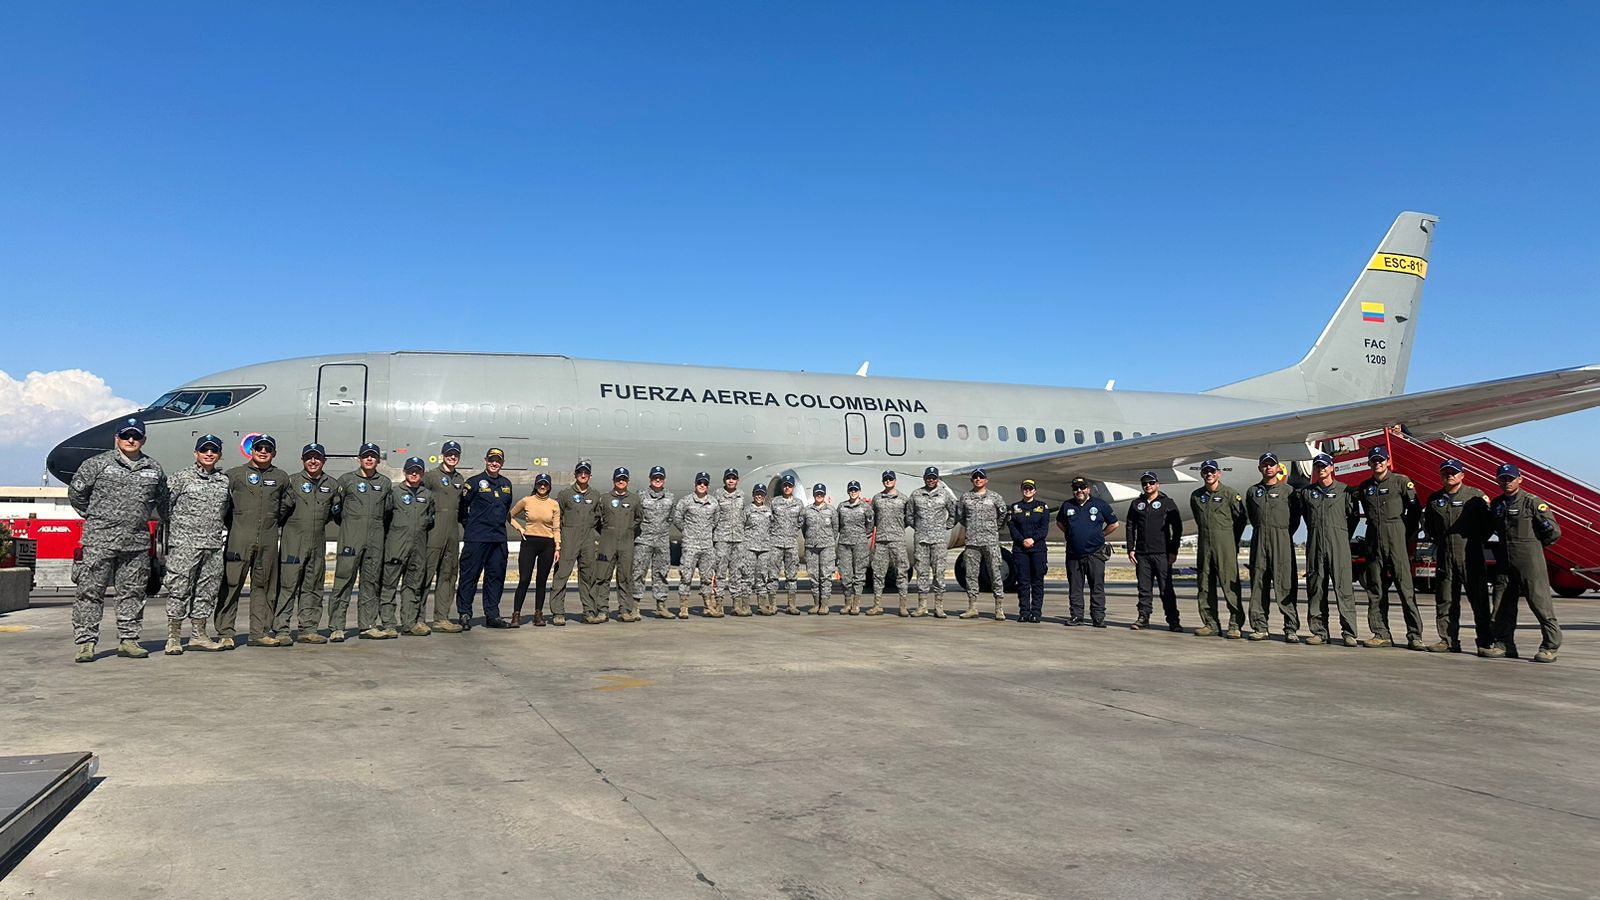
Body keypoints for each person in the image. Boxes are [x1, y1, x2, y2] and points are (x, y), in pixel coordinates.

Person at [68, 416, 169, 662]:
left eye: (136, 436)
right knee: (90, 592)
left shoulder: (153, 468)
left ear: (143, 439)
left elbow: (163, 502)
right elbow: (77, 494)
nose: (130, 440)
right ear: (117, 438)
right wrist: (96, 517)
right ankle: (86, 643)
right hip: (99, 540)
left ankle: (128, 640)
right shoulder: (97, 464)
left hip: (135, 543)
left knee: (133, 592)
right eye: (125, 435)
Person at [218, 434, 291, 648]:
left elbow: (287, 503)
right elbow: (223, 503)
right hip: (239, 537)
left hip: (268, 538)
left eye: (268, 448)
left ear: (274, 453)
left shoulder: (281, 477)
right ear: (252, 450)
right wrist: (236, 523)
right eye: (259, 447)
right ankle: (225, 632)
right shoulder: (235, 474)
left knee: (265, 586)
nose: (263, 451)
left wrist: (270, 521)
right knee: (231, 584)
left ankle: (259, 632)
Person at [1485, 463, 1562, 662]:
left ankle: (1550, 646)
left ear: (1520, 479)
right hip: (1505, 561)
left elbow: (1553, 531)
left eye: (1510, 478)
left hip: (1530, 560)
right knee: (1501, 605)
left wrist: (1534, 546)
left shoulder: (1532, 503)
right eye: (1502, 478)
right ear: (1497, 480)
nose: (1506, 482)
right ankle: (1504, 644)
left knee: (1540, 603)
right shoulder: (1497, 504)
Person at [162, 435, 228, 654]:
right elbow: (164, 507)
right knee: (179, 590)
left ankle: (199, 635)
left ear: (219, 455)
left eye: (213, 451)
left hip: (212, 546)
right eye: (204, 450)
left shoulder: (223, 481)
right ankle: (173, 638)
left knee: (207, 592)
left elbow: (226, 510)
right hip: (184, 546)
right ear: (196, 453)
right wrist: (181, 530)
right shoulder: (181, 478)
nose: (209, 454)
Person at [1356, 446, 1426, 649]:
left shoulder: (1401, 482)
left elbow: (1414, 511)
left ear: (1387, 461)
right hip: (1373, 538)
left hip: (1396, 534)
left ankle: (1415, 635)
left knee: (1405, 589)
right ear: (1369, 464)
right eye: (1374, 460)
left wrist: (1404, 534)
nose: (1377, 463)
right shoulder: (1365, 487)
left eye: (1381, 460)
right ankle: (1381, 633)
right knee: (1376, 588)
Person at [1423, 459, 1492, 653]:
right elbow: (1429, 526)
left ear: (1462, 475)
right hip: (1445, 554)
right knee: (1445, 599)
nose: (1449, 475)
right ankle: (1448, 640)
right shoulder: (1435, 499)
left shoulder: (1475, 497)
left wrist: (1474, 542)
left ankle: (1485, 641)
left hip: (1470, 555)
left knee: (1479, 600)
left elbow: (1488, 525)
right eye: (1445, 472)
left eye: (1453, 472)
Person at [331, 442, 394, 640]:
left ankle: (368, 625)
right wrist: (351, 526)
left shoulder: (385, 483)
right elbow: (336, 510)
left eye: (373, 456)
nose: (369, 459)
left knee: (371, 582)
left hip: (375, 540)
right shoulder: (347, 480)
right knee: (343, 580)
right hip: (351, 538)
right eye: (366, 456)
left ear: (378, 460)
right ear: (359, 459)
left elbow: (387, 511)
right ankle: (336, 627)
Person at [282, 442, 343, 643]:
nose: (313, 461)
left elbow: (332, 513)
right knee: (288, 586)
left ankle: (308, 629)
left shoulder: (332, 485)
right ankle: (281, 630)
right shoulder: (291, 482)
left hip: (317, 542)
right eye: (309, 457)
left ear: (324, 460)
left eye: (317, 457)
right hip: (293, 542)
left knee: (314, 586)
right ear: (303, 460)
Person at [1298, 453, 1361, 647]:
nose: (1321, 469)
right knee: (1316, 587)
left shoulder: (1344, 491)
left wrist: (1341, 535)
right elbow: (1306, 517)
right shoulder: (1307, 493)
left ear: (1332, 467)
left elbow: (1353, 517)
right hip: (1315, 544)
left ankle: (1349, 633)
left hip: (1338, 543)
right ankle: (1319, 632)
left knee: (1344, 588)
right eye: (1318, 466)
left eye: (1324, 466)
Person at [456, 447, 514, 630]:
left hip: (498, 539)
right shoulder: (473, 483)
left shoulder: (506, 484)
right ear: (485, 461)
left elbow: (505, 508)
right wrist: (471, 527)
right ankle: (464, 613)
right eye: (491, 460)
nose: (494, 463)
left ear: (502, 463)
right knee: (469, 576)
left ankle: (492, 615)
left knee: (496, 577)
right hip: (477, 538)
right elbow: (462, 509)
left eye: (498, 460)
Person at [1245, 452, 1301, 642]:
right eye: (1265, 464)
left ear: (1278, 468)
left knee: (1285, 584)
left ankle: (1290, 628)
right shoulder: (1253, 492)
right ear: (1259, 468)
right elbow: (1252, 516)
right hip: (1259, 539)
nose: (1268, 467)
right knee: (1258, 584)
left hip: (1282, 540)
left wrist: (1283, 534)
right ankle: (1260, 627)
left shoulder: (1289, 491)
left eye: (1271, 464)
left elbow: (1295, 519)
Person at [1190, 461, 1246, 638]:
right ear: (1202, 474)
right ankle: (1211, 624)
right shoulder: (1196, 496)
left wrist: (1232, 540)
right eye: (1206, 471)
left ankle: (1235, 624)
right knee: (1205, 585)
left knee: (1229, 584)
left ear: (1218, 473)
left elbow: (1241, 519)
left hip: (1225, 545)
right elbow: (1198, 518)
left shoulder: (1230, 494)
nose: (1209, 474)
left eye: (1212, 471)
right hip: (1205, 546)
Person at [383, 457, 435, 637]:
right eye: (411, 470)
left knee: (413, 586)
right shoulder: (395, 493)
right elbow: (385, 517)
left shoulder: (427, 495)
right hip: (396, 547)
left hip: (417, 548)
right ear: (404, 472)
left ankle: (409, 623)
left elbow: (430, 520)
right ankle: (389, 624)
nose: (414, 473)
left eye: (418, 471)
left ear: (422, 473)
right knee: (389, 585)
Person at [1056, 477, 1119, 627]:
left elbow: (1114, 524)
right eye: (1076, 488)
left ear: (1088, 489)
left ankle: (1098, 617)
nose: (1079, 490)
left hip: (1095, 554)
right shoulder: (1067, 505)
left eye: (1082, 487)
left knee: (1097, 586)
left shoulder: (1100, 504)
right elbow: (1059, 522)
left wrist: (1101, 535)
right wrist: (1070, 534)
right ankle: (1076, 616)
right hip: (1073, 554)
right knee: (1075, 587)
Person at [421, 441, 469, 634]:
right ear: (442, 455)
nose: (452, 457)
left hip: (452, 532)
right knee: (426, 573)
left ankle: (441, 618)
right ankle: (417, 618)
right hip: (434, 530)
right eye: (449, 453)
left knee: (448, 574)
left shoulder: (459, 479)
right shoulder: (431, 476)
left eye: (455, 454)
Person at [1127, 470, 1183, 631]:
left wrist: (1173, 550)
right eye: (1145, 483)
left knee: (1166, 589)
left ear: (1157, 484)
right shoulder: (1136, 504)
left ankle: (1173, 621)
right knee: (1144, 589)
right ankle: (1143, 618)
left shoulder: (1167, 503)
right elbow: (1130, 526)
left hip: (1162, 553)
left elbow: (1177, 528)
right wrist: (1131, 548)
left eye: (1151, 483)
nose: (1148, 485)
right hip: (1142, 554)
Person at [551, 461, 600, 626]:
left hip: (588, 539)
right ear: (575, 475)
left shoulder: (595, 495)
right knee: (562, 574)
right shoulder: (565, 494)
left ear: (590, 476)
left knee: (588, 575)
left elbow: (598, 517)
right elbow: (557, 517)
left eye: (586, 473)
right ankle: (558, 612)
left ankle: (589, 611)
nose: (583, 475)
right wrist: (558, 540)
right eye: (580, 472)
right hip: (569, 538)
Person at [591, 467, 641, 622]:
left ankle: (625, 610)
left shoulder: (634, 499)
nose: (621, 481)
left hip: (626, 543)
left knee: (625, 577)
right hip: (607, 543)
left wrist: (628, 531)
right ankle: (602, 610)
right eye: (618, 479)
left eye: (624, 479)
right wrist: (607, 532)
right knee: (602, 577)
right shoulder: (604, 499)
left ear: (628, 481)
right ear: (613, 480)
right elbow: (596, 519)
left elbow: (639, 519)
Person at [509, 473, 560, 627]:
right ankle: (516, 614)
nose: (542, 486)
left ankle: (538, 614)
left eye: (545, 484)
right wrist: (520, 529)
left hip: (547, 544)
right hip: (529, 542)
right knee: (524, 579)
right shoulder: (527, 501)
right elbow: (510, 516)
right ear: (536, 485)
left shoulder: (554, 504)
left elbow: (556, 528)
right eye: (540, 484)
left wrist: (557, 547)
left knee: (541, 581)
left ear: (549, 487)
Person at [957, 468, 1007, 620]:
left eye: (981, 477)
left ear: (986, 480)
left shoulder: (995, 497)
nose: (978, 479)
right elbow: (961, 516)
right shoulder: (965, 497)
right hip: (972, 541)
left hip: (990, 541)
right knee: (971, 575)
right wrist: (972, 527)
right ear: (972, 480)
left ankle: (999, 608)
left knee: (995, 573)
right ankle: (972, 607)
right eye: (975, 477)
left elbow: (1003, 514)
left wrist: (993, 528)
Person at [909, 466, 959, 618]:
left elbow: (955, 513)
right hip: (921, 540)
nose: (931, 480)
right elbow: (909, 515)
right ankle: (922, 606)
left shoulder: (944, 494)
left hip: (938, 540)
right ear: (924, 478)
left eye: (933, 477)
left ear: (937, 479)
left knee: (939, 573)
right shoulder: (916, 494)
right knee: (922, 572)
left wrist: (946, 526)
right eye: (928, 477)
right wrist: (919, 527)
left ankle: (939, 607)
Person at [632, 466, 676, 621]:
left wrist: (661, 530)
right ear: (650, 479)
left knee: (662, 573)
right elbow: (636, 515)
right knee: (638, 572)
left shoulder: (670, 497)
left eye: (660, 477)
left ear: (664, 480)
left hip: (662, 540)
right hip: (644, 539)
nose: (658, 480)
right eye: (655, 477)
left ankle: (661, 605)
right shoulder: (640, 495)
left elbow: (671, 517)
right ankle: (635, 606)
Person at [672, 472, 717, 617]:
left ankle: (708, 606)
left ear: (708, 486)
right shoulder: (686, 501)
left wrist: (706, 532)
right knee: (686, 576)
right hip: (690, 544)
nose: (702, 485)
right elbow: (677, 518)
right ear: (695, 484)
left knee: (707, 577)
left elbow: (715, 521)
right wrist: (687, 531)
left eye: (705, 483)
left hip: (707, 545)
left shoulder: (713, 502)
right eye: (699, 483)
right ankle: (683, 607)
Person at [1008, 480, 1050, 623]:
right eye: (1025, 488)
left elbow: (1044, 528)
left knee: (1037, 582)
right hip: (1020, 550)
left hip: (1038, 549)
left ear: (1034, 491)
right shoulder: (1015, 508)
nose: (1027, 490)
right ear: (1021, 490)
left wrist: (1033, 539)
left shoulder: (1042, 507)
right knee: (1023, 582)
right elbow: (1012, 528)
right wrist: (1022, 540)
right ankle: (1024, 612)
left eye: (1030, 488)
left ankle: (1036, 612)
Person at [871, 471, 913, 616]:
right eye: (885, 479)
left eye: (890, 479)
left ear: (895, 481)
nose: (888, 481)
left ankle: (903, 606)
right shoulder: (877, 498)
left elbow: (908, 518)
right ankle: (877, 605)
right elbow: (872, 518)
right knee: (878, 573)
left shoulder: (903, 499)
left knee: (902, 572)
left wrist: (897, 528)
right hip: (881, 541)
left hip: (897, 540)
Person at [769, 475, 806, 614]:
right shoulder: (774, 502)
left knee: (792, 575)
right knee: (772, 574)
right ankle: (772, 604)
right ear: (782, 486)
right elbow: (769, 520)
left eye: (789, 485)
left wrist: (791, 532)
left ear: (793, 487)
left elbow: (801, 521)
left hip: (791, 543)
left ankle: (791, 605)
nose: (787, 488)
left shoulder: (799, 504)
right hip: (776, 543)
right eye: (785, 485)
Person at [712, 468, 747, 614]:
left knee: (736, 572)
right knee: (720, 571)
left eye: (733, 478)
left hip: (738, 539)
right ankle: (718, 603)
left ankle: (736, 604)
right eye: (728, 478)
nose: (731, 480)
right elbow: (714, 515)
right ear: (724, 480)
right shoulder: (717, 494)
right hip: (722, 538)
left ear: (737, 480)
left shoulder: (741, 495)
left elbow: (743, 516)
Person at [835, 481, 872, 615]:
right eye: (851, 489)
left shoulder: (866, 507)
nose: (853, 492)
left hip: (860, 544)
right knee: (845, 574)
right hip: (844, 544)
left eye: (855, 489)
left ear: (859, 491)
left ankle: (856, 604)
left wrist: (861, 536)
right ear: (848, 491)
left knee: (859, 574)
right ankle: (847, 603)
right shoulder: (842, 507)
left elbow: (870, 526)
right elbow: (837, 524)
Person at [741, 483, 776, 615]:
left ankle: (762, 605)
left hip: (764, 549)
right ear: (753, 495)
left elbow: (772, 528)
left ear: (765, 496)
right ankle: (745, 605)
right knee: (747, 577)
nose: (759, 496)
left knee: (762, 576)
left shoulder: (768, 511)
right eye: (757, 494)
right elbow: (741, 526)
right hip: (749, 547)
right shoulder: (747, 510)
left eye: (761, 494)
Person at [801, 484, 837, 614]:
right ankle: (816, 603)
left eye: (821, 493)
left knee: (825, 576)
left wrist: (828, 540)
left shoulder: (831, 510)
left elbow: (835, 529)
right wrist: (811, 539)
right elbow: (804, 529)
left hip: (827, 547)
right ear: (814, 494)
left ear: (824, 495)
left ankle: (824, 605)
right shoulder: (806, 511)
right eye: (817, 493)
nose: (819, 496)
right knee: (814, 576)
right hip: (811, 547)